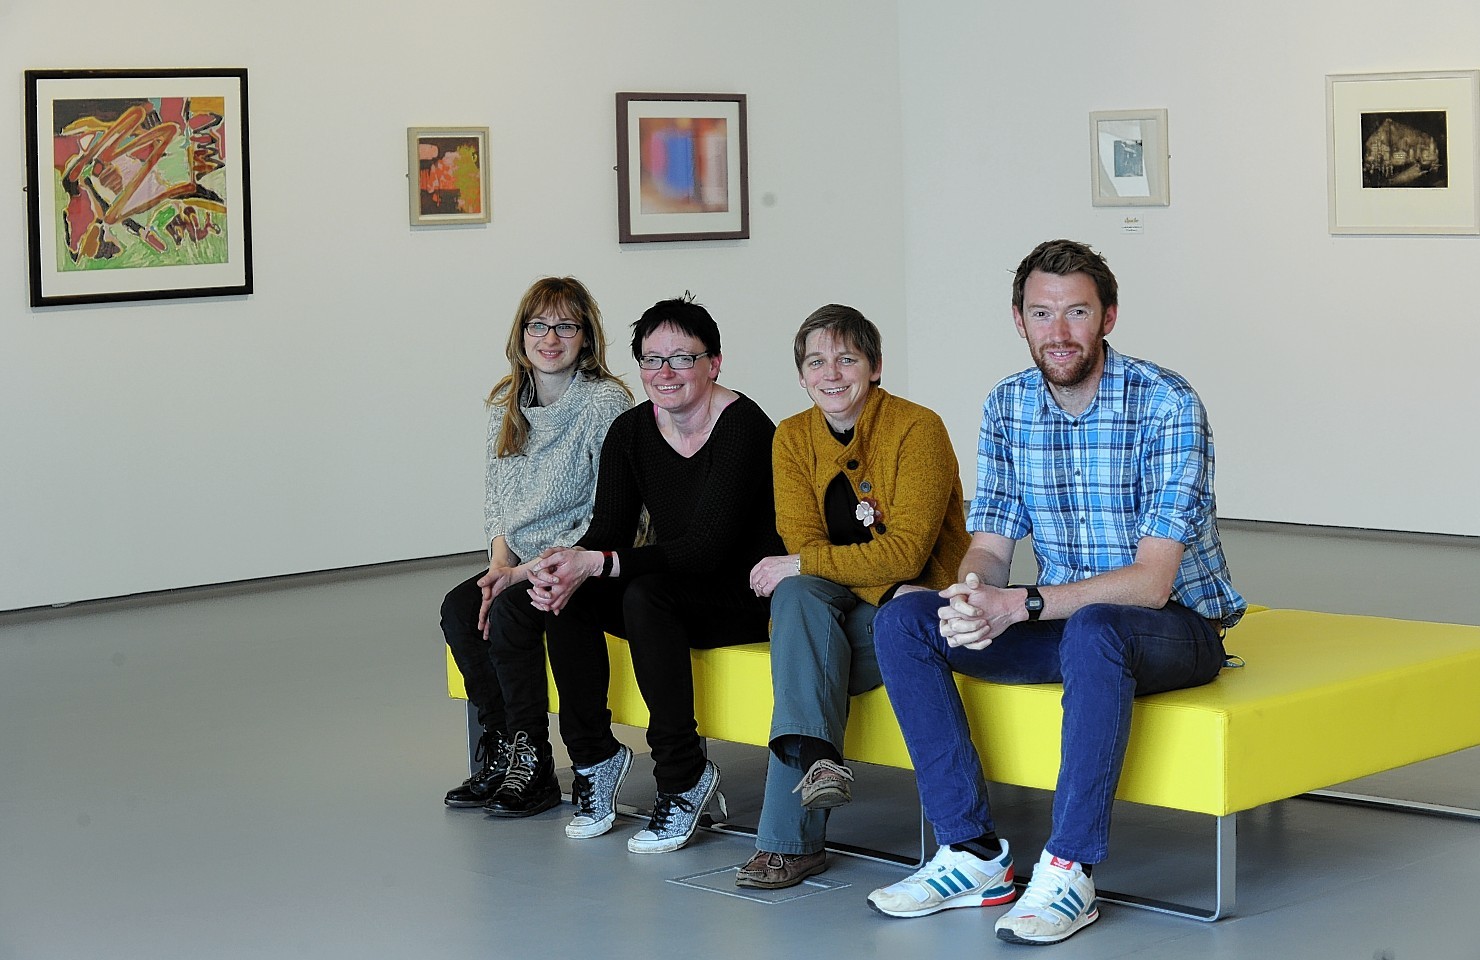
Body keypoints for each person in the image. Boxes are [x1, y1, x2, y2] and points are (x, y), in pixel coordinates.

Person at [866, 240, 1246, 946]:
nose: (1060, 332)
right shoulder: (1009, 405)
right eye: (1043, 313)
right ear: (1019, 320)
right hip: (1065, 620)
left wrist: (1023, 605)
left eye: (1076, 312)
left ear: (1108, 316)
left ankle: (1069, 868)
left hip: (1173, 628)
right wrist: (976, 594)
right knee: (906, 618)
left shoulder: (1167, 403)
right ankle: (970, 854)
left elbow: (1153, 580)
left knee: (1099, 625)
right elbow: (992, 543)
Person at [522, 295, 783, 854]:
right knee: (571, 593)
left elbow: (708, 550)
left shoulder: (745, 427)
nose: (665, 374)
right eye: (651, 359)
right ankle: (593, 756)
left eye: (682, 359)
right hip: (674, 589)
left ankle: (683, 773)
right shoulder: (631, 431)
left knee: (644, 594)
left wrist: (604, 563)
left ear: (714, 363)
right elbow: (607, 534)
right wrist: (564, 565)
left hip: (746, 595)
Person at [734, 305, 969, 890]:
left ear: (876, 366)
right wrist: (834, 569)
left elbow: (909, 554)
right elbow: (803, 539)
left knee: (804, 636)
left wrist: (835, 571)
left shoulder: (919, 429)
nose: (831, 374)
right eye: (817, 362)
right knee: (796, 598)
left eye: (847, 358)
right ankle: (819, 763)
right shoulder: (790, 437)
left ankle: (789, 843)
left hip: (916, 608)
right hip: (841, 602)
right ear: (801, 374)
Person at [440, 277, 631, 816]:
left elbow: (610, 512)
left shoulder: (605, 404)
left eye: (566, 326)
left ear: (586, 337)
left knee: (507, 609)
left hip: (578, 559)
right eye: (538, 325)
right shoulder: (507, 401)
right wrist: (501, 561)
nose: (550, 338)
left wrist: (521, 576)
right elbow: (496, 497)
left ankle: (534, 761)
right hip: (518, 561)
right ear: (521, 334)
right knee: (459, 608)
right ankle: (502, 750)